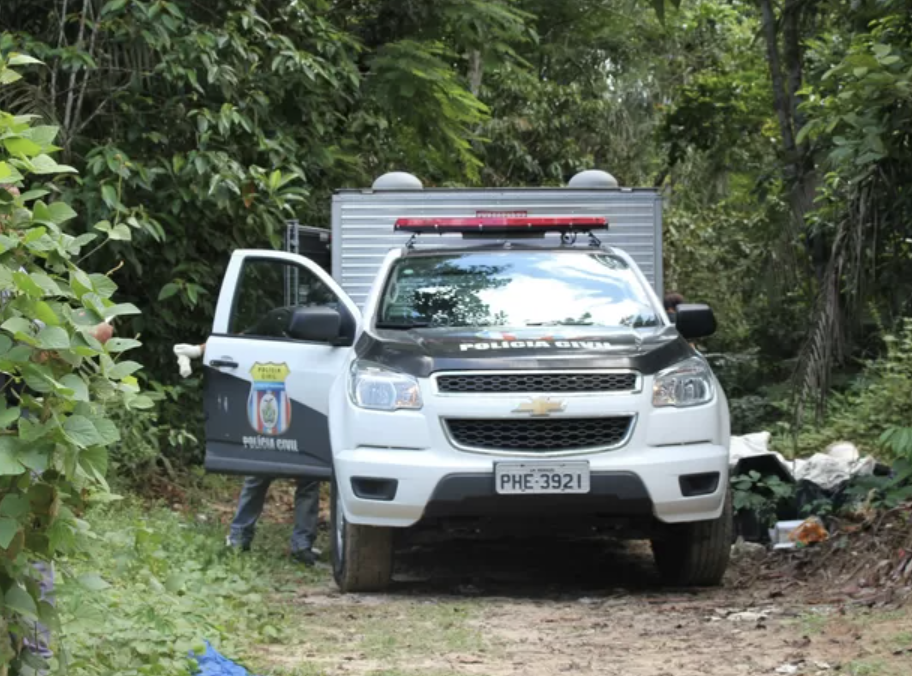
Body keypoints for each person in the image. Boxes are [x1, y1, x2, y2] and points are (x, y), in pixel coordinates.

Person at [1, 181, 113, 669]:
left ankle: (33, 659)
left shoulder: (17, 270)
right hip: (13, 434)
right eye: (10, 197)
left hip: (19, 433)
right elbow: (27, 352)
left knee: (28, 551)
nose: (19, 205)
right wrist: (81, 343)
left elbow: (31, 346)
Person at [174, 342, 320, 566]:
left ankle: (251, 538)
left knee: (301, 475)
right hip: (296, 401)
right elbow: (237, 339)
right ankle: (281, 542)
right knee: (264, 472)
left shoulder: (282, 327)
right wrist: (201, 350)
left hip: (303, 401)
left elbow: (239, 339)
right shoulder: (313, 328)